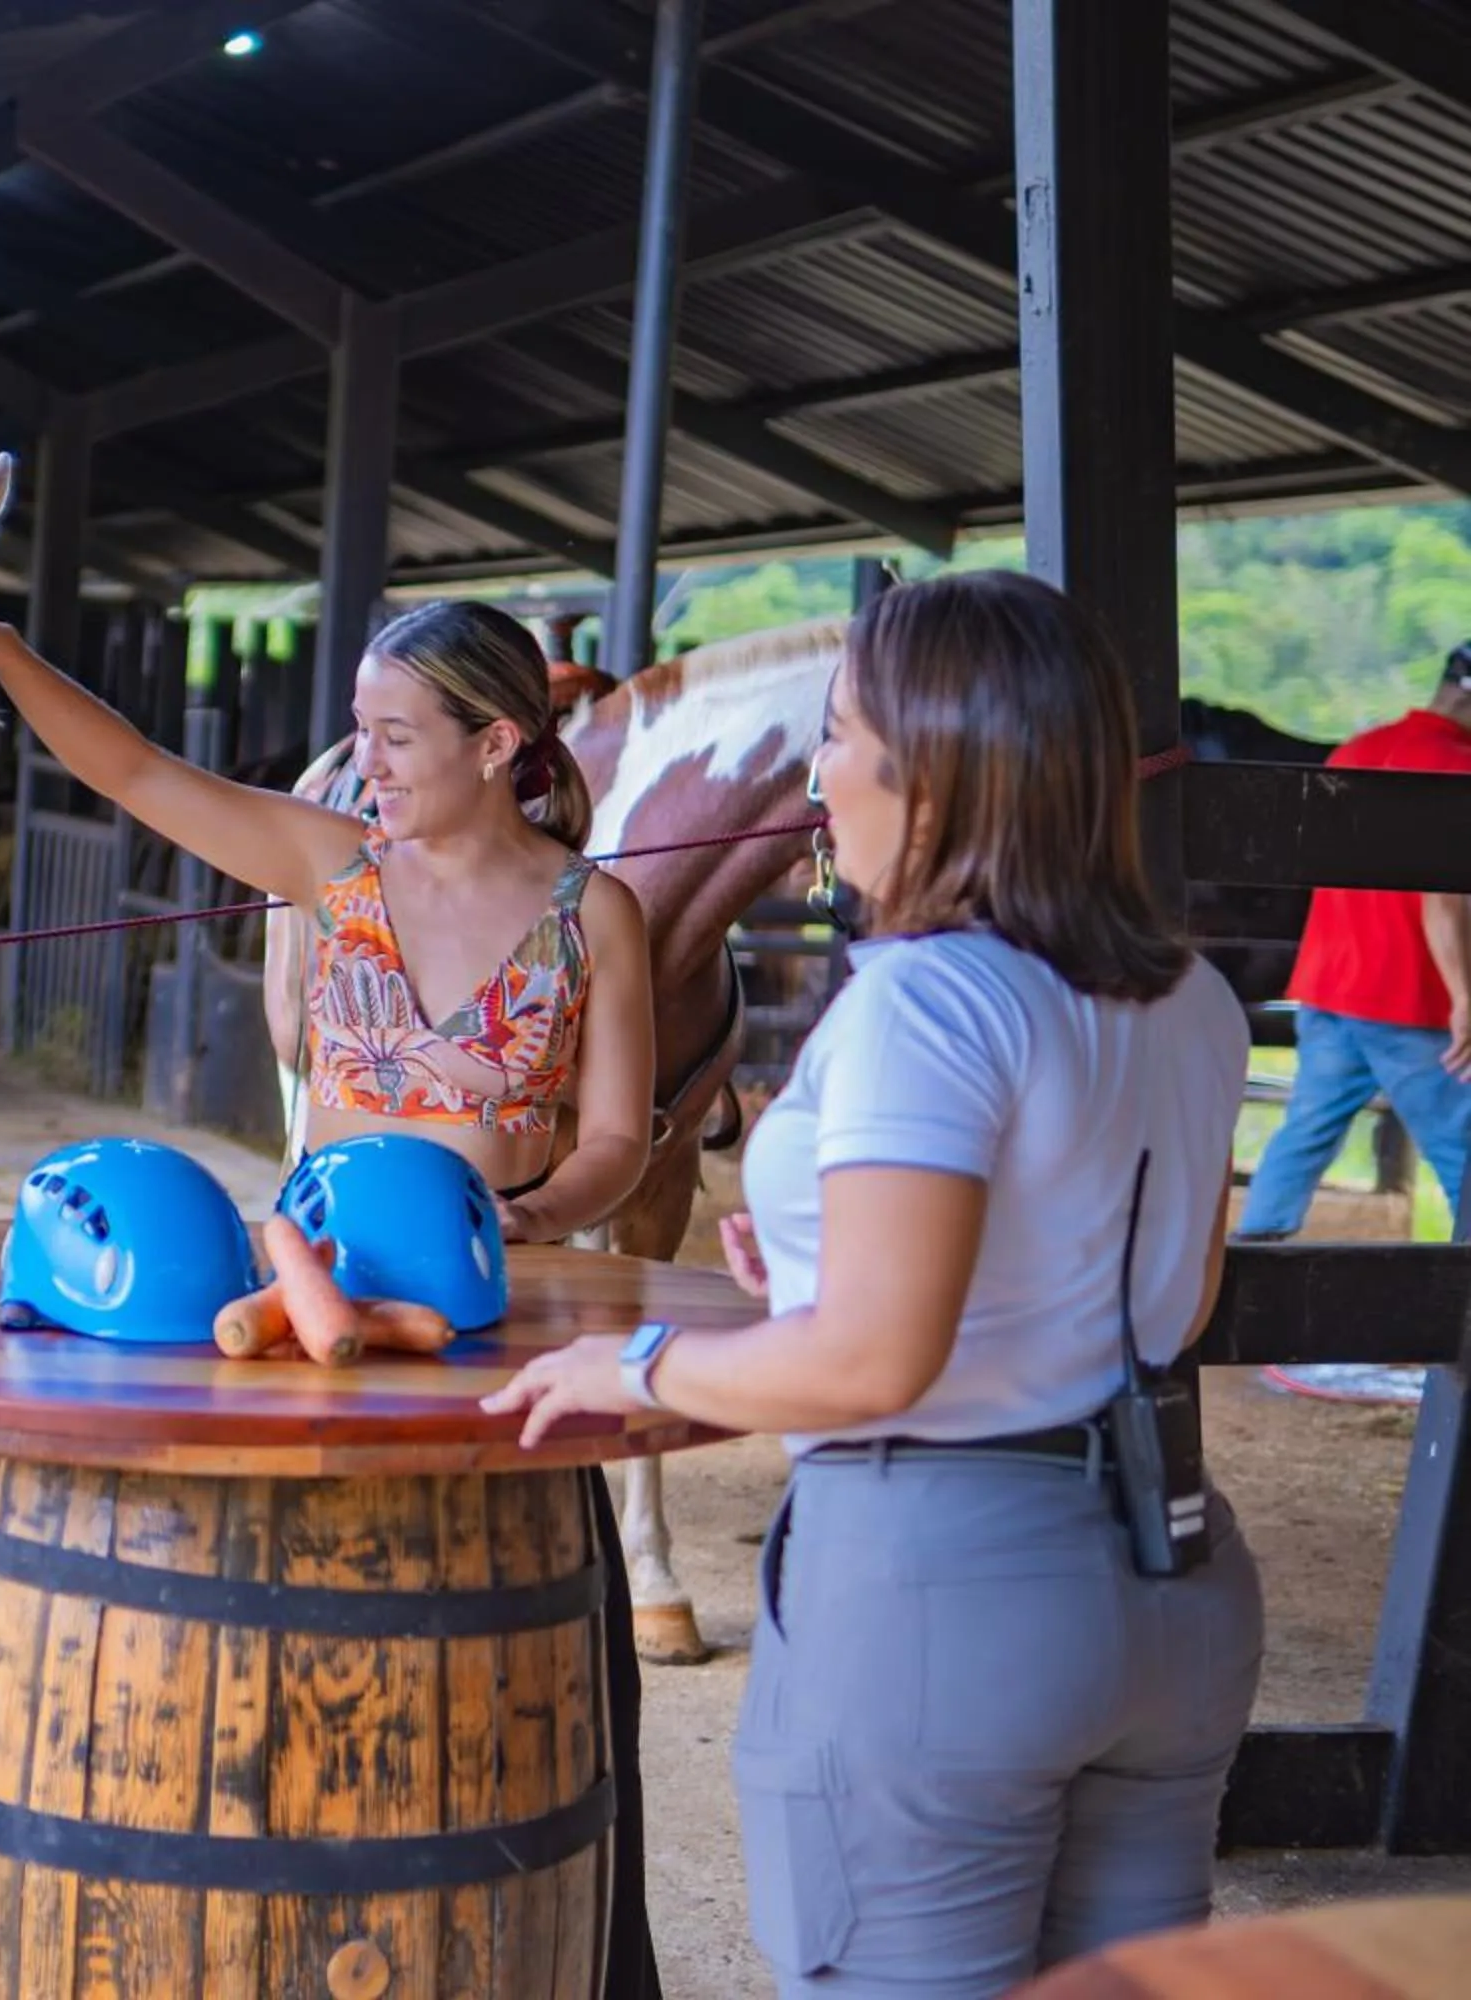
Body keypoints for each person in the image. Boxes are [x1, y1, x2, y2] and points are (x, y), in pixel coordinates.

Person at [0, 576, 669, 1995]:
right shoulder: (331, 864)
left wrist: (526, 1213)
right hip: (300, 1313)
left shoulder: (590, 914)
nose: (367, 762)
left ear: (497, 744)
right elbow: (130, 769)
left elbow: (616, 1139)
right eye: (360, 732)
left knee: (532, 1650)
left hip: (484, 1325)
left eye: (398, 736)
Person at [485, 570, 1267, 1997]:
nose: (818, 779)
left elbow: (870, 1363)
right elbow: (1171, 1303)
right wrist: (828, 1279)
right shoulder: (1193, 998)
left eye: (840, 738)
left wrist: (639, 1371)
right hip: (1172, 1576)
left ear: (939, 771)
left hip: (948, 1597)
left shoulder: (927, 999)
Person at [1233, 639, 1471, 1244]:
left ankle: (1252, 1268)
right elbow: (1443, 898)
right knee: (1462, 1151)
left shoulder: (1355, 749)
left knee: (1302, 1138)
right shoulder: (1456, 767)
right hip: (1408, 999)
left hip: (1330, 987)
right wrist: (1465, 997)